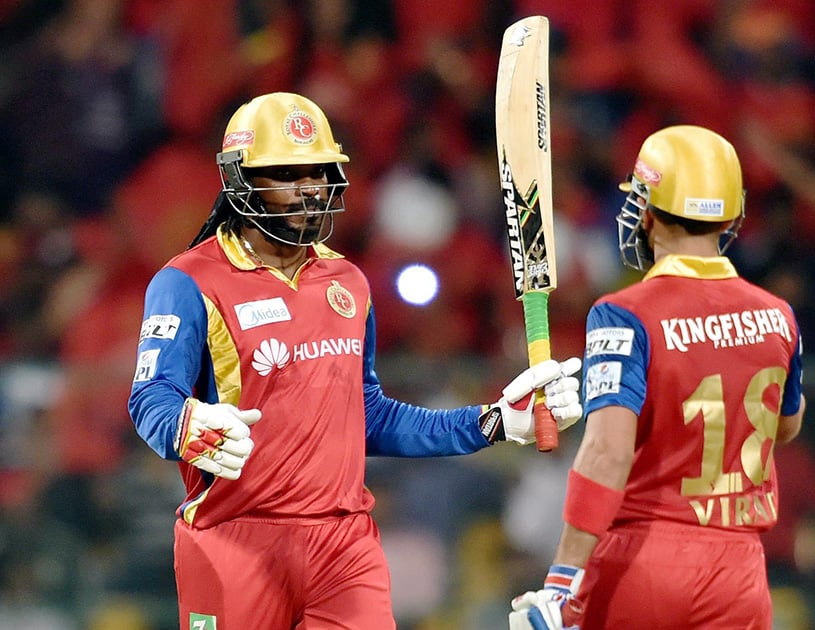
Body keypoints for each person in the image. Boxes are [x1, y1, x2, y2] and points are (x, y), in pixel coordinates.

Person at [127, 91, 583, 630]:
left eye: (318, 172)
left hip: (344, 546)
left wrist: (495, 422)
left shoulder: (347, 281)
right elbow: (150, 397)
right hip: (235, 539)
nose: (310, 189)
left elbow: (368, 415)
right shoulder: (186, 282)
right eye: (287, 174)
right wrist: (187, 423)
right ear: (239, 180)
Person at [509, 125, 806, 629]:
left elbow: (608, 451)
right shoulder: (779, 315)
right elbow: (786, 427)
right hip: (740, 571)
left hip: (647, 555)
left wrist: (563, 578)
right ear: (731, 215)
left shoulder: (625, 313)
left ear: (646, 211)